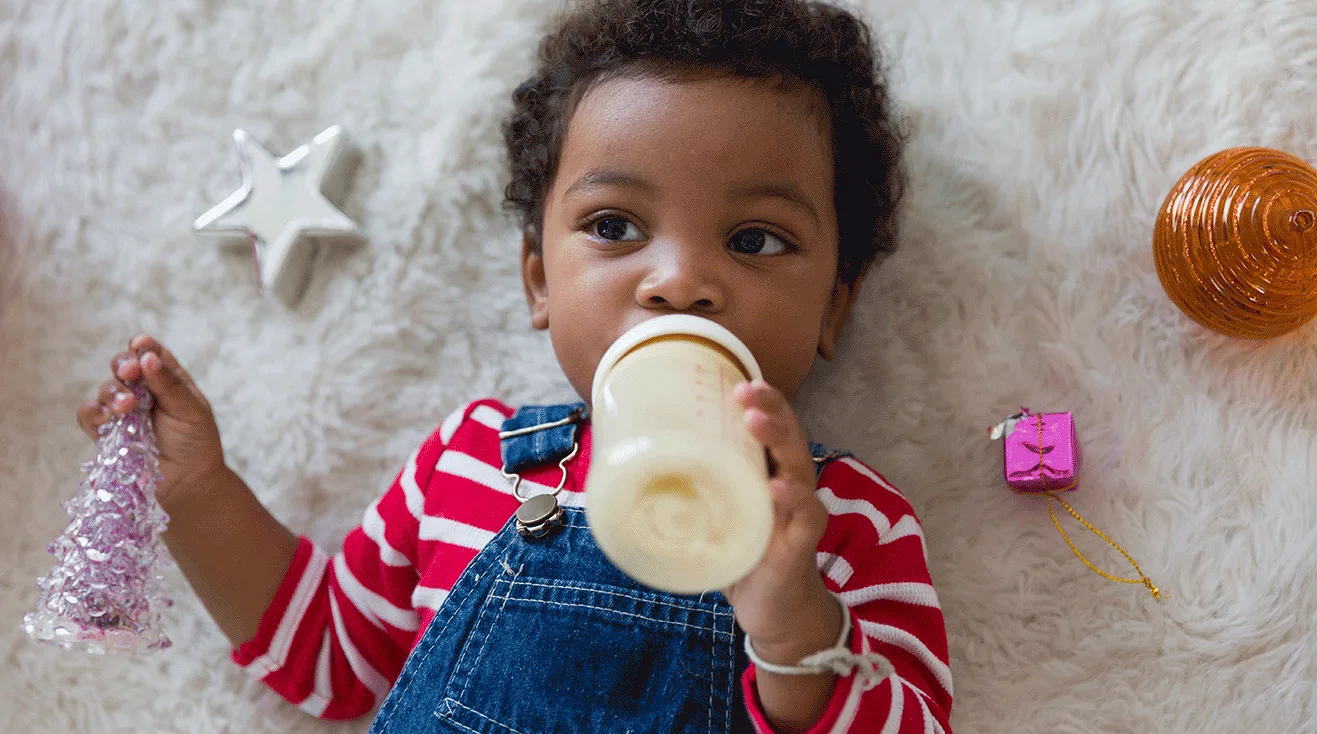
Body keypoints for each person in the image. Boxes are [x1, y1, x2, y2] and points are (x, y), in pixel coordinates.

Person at [76, 0, 951, 731]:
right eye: (614, 226)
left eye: (755, 240)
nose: (679, 280)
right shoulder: (471, 460)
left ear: (836, 303)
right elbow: (332, 659)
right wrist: (194, 492)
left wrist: (792, 622)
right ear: (539, 278)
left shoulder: (845, 523)